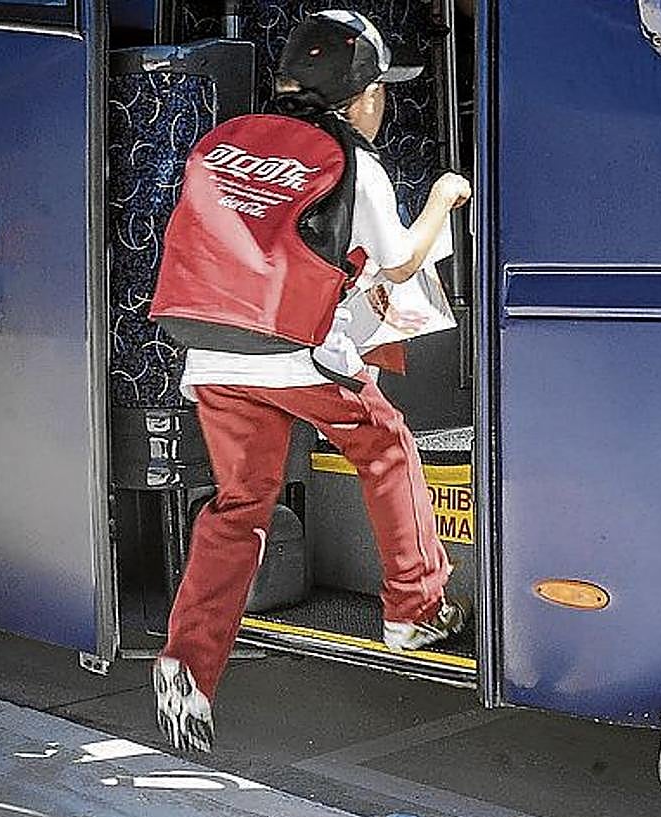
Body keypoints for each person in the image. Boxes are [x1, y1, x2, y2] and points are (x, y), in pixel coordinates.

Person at [146, 9, 473, 753]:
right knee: (385, 445)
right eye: (383, 91)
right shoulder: (353, 160)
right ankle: (415, 605)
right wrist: (444, 198)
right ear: (361, 99)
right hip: (295, 355)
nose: (383, 104)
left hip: (212, 354)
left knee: (238, 508)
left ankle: (187, 665)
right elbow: (397, 262)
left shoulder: (226, 141)